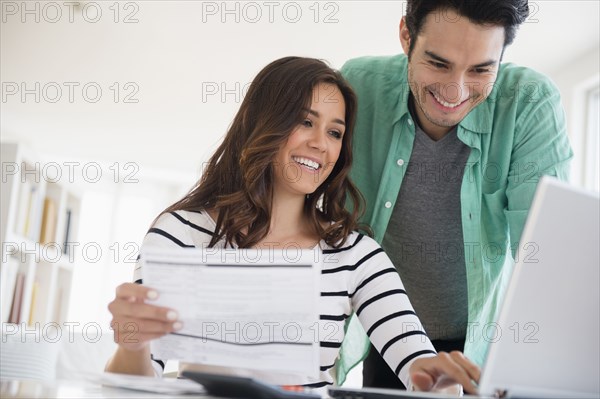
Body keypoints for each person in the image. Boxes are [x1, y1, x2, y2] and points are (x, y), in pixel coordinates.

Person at [105, 56, 481, 393]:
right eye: (306, 122)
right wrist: (132, 343)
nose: (321, 144)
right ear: (263, 124)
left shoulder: (354, 253)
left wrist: (436, 383)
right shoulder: (180, 234)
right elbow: (131, 386)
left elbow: (416, 359)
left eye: (335, 132)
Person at [338, 0, 574, 389]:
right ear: (405, 36)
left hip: (483, 343)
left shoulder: (530, 101)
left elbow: (547, 256)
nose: (455, 90)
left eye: (481, 69)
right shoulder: (358, 86)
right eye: (438, 63)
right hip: (387, 335)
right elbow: (317, 214)